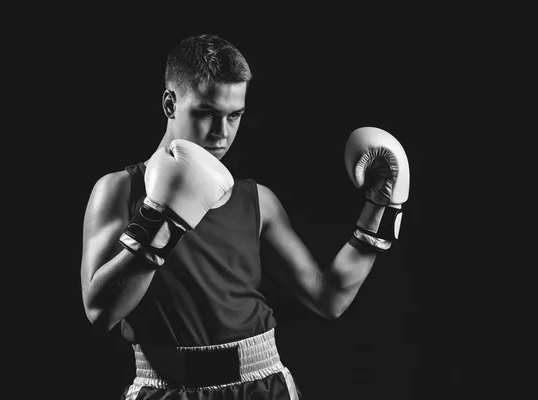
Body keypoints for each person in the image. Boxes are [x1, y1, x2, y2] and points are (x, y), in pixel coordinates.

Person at [80, 33, 410, 400]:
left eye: (234, 116)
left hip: (261, 385)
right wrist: (161, 218)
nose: (221, 134)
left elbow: (329, 297)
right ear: (170, 103)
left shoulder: (257, 200)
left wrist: (381, 208)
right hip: (166, 387)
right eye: (206, 113)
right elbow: (100, 313)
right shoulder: (119, 191)